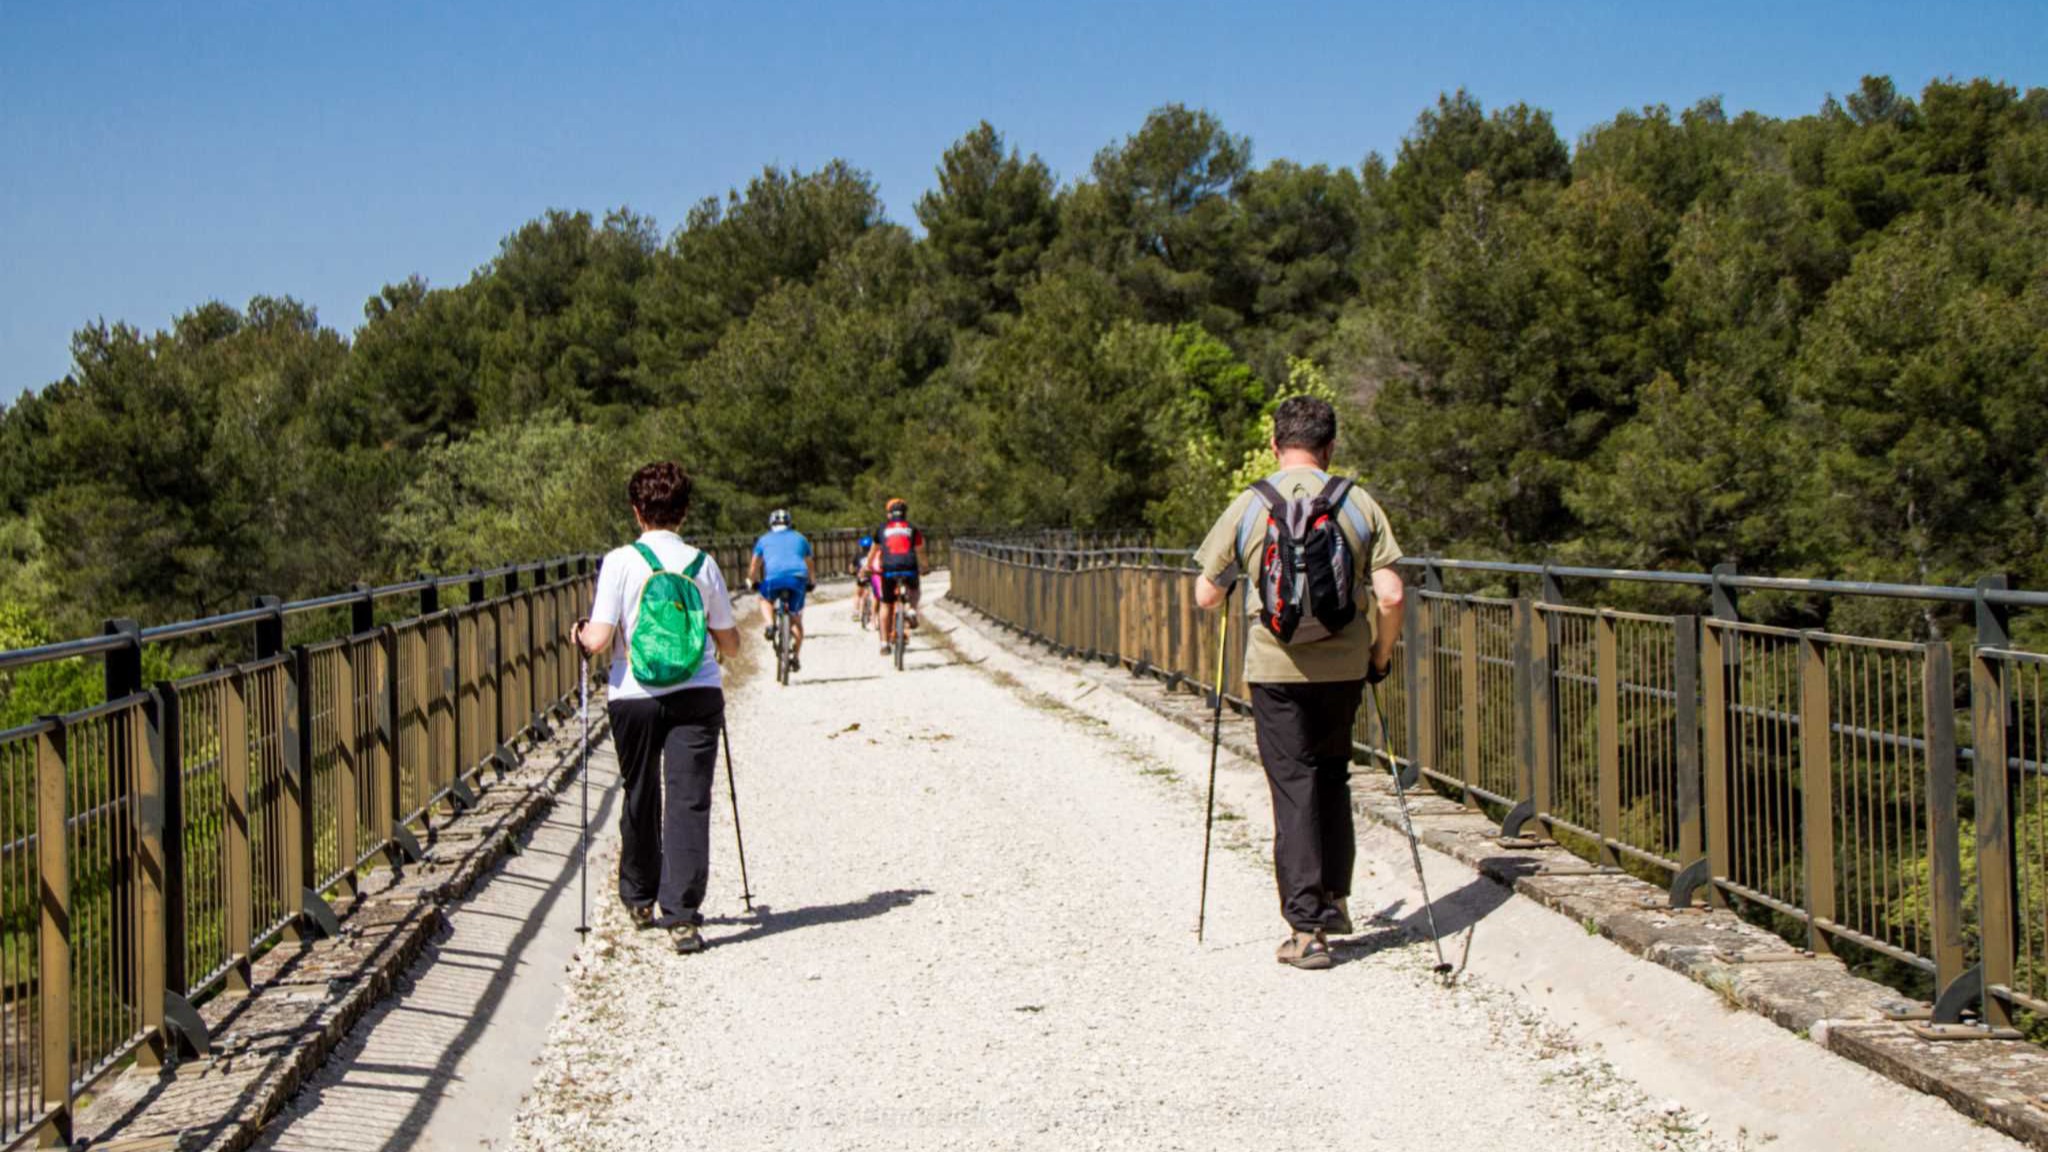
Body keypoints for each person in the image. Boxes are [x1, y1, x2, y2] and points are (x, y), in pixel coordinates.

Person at [1192, 396, 1405, 971]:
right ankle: (1333, 900)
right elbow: (1391, 594)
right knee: (1333, 775)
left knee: (1293, 786)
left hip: (1275, 669)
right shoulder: (1356, 502)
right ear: (1330, 446)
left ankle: (1306, 929)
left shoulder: (1250, 505)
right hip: (1344, 669)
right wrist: (1378, 656)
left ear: (1274, 445)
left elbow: (1206, 594)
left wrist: (1240, 576)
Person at [575, 462, 741, 955]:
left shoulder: (620, 561)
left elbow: (600, 640)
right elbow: (729, 645)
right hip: (697, 693)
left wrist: (579, 634)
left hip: (634, 696)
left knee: (640, 792)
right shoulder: (703, 565)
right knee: (689, 800)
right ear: (685, 511)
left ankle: (639, 896)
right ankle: (683, 917)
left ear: (636, 510)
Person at [747, 509, 814, 672]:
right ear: (790, 523)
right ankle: (795, 656)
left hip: (773, 579)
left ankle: (770, 625)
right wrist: (812, 581)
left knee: (765, 599)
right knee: (796, 619)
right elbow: (809, 563)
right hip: (797, 579)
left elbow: (755, 563)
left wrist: (751, 580)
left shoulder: (764, 540)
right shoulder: (801, 538)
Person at [866, 498, 926, 657]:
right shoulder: (912, 528)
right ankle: (912, 609)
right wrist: (926, 567)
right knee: (914, 589)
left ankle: (884, 644)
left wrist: (868, 566)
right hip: (909, 565)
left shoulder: (882, 529)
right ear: (905, 514)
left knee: (886, 604)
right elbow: (920, 551)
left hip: (889, 568)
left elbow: (873, 551)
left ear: (889, 514)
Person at [851, 532, 875, 625]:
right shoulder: (874, 554)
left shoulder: (858, 555)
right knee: (873, 595)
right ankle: (872, 613)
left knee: (857, 594)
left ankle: (856, 612)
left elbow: (852, 566)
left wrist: (853, 572)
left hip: (862, 577)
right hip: (872, 577)